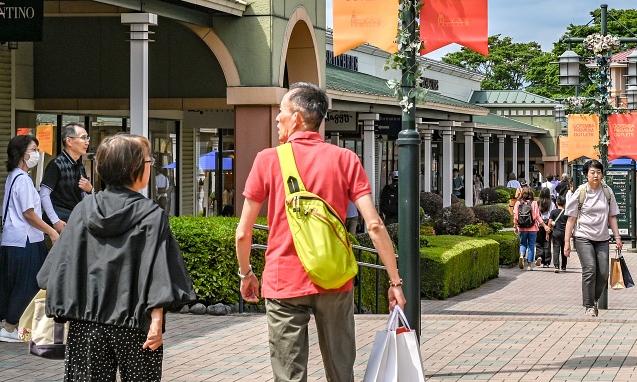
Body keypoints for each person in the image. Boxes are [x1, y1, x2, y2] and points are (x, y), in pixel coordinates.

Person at [235, 83, 404, 382]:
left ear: (297, 117)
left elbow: (243, 233)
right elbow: (375, 224)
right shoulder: (346, 160)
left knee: (289, 376)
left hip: (283, 280)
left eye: (282, 112)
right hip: (335, 278)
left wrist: (246, 272)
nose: (277, 118)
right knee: (341, 371)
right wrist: (394, 281)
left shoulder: (268, 160)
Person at [37, 133, 195, 382]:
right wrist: (156, 320)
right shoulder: (151, 214)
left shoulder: (83, 210)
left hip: (86, 324)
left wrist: (63, 308)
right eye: (148, 161)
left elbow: (60, 266)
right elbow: (159, 271)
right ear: (133, 168)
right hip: (133, 324)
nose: (151, 165)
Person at [0, 134, 59, 343]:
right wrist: (51, 232)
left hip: (11, 240)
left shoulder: (13, 176)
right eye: (33, 150)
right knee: (30, 283)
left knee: (13, 283)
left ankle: (10, 326)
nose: (37, 154)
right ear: (22, 154)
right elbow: (29, 213)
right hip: (25, 240)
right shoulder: (23, 180)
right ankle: (9, 327)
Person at [563, 160, 622, 318]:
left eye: (598, 172)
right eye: (592, 172)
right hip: (583, 237)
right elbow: (571, 219)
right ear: (586, 174)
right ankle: (589, 305)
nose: (596, 175)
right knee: (590, 269)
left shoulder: (607, 191)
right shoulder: (581, 192)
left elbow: (612, 216)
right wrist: (567, 242)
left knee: (603, 273)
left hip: (602, 238)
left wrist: (617, 237)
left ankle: (594, 299)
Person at [40, 122, 93, 231]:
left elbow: (83, 195)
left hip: (75, 219)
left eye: (87, 138)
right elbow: (44, 194)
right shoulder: (56, 164)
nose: (87, 142)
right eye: (83, 138)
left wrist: (90, 190)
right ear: (69, 141)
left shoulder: (80, 165)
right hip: (61, 221)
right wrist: (55, 221)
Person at [513, 187, 544, 270]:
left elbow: (516, 216)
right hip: (532, 228)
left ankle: (522, 255)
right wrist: (543, 225)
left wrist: (515, 226)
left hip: (522, 228)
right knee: (531, 246)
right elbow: (537, 216)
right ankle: (529, 265)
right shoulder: (534, 203)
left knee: (522, 244)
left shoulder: (518, 203)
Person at [535, 187, 555, 267]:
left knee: (539, 242)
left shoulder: (538, 203)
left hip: (540, 223)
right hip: (548, 223)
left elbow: (536, 215)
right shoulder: (551, 203)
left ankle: (539, 256)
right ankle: (546, 262)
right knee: (547, 242)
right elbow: (552, 215)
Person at [550, 195, 568, 273]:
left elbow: (550, 222)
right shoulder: (567, 212)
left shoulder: (553, 212)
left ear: (556, 203)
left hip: (556, 232)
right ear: (564, 203)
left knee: (556, 249)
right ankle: (564, 266)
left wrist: (549, 230)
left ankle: (556, 266)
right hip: (565, 232)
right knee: (564, 248)